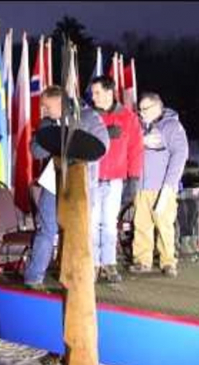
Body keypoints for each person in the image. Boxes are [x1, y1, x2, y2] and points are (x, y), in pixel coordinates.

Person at [23, 85, 109, 290]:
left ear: (59, 103)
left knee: (79, 232)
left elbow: (102, 146)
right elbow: (35, 151)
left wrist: (74, 141)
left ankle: (78, 277)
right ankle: (33, 278)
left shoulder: (87, 116)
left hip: (80, 185)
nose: (43, 111)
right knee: (47, 230)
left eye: (47, 107)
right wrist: (53, 138)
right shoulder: (46, 124)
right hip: (53, 184)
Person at [88, 76, 144, 283]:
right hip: (92, 179)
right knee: (92, 223)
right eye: (92, 93)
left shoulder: (128, 117)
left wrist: (134, 178)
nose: (93, 98)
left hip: (115, 180)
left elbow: (136, 150)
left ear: (110, 92)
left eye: (97, 93)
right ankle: (93, 263)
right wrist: (102, 132)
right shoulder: (88, 115)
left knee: (109, 224)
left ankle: (109, 263)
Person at [130, 92, 189, 277]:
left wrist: (169, 185)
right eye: (139, 109)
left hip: (162, 188)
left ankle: (168, 262)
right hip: (141, 186)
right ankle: (142, 261)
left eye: (144, 109)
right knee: (141, 225)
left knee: (164, 225)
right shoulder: (138, 127)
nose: (141, 113)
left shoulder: (172, 126)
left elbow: (180, 155)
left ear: (157, 107)